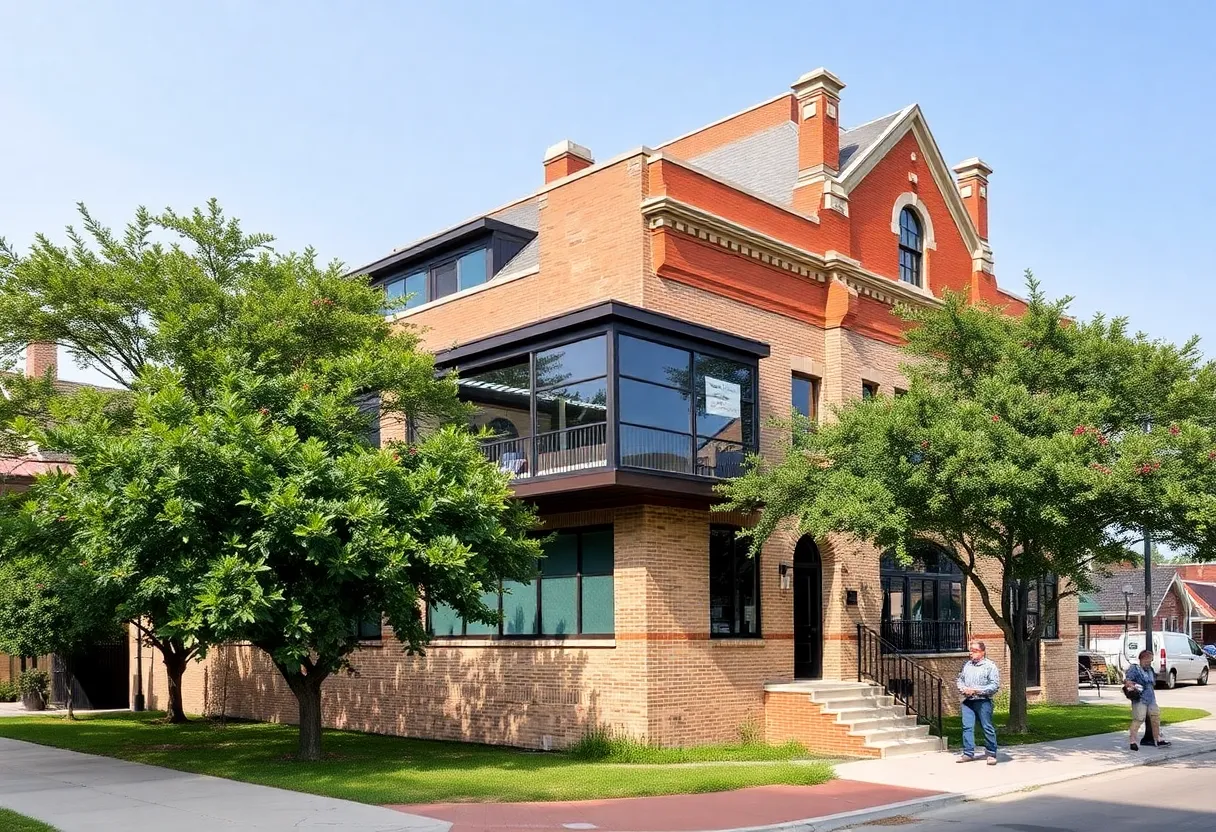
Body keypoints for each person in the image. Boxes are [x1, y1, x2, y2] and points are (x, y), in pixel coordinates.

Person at [956, 640, 1000, 765]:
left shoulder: (990, 666)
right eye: (971, 651)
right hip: (968, 701)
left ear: (982, 652)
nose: (971, 653)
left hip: (983, 701)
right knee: (967, 727)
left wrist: (976, 690)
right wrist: (963, 689)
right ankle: (968, 753)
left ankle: (991, 753)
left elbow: (994, 686)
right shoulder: (967, 665)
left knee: (987, 727)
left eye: (974, 651)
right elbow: (960, 679)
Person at [1124, 648, 1171, 751]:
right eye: (1147, 660)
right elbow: (1127, 681)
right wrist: (1133, 685)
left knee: (1155, 717)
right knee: (1138, 719)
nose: (1149, 663)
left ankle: (1158, 739)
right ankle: (1133, 741)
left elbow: (1152, 682)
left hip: (1151, 698)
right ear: (1141, 659)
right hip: (1140, 699)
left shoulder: (1150, 670)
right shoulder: (1135, 669)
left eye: (1150, 660)